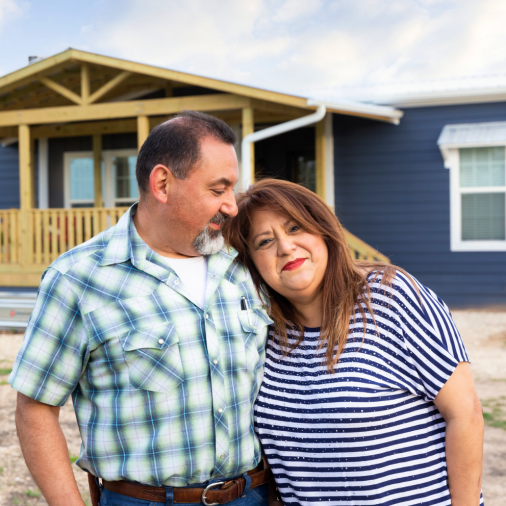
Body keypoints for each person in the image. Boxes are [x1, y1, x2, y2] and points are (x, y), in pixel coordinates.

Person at [9, 111, 274, 506]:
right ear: (163, 183)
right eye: (219, 189)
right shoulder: (78, 277)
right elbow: (35, 408)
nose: (231, 205)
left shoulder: (244, 265)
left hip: (251, 494)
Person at [223, 178, 485, 506]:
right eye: (264, 241)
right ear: (253, 265)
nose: (285, 247)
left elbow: (466, 415)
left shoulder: (391, 298)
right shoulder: (264, 335)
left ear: (324, 231)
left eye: (294, 228)